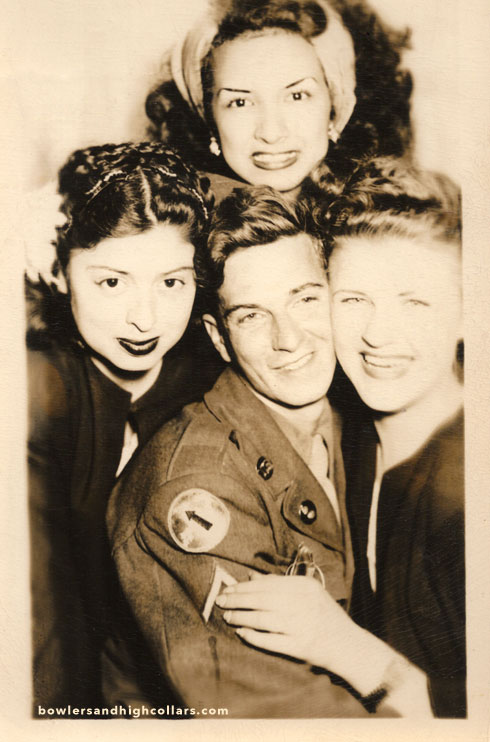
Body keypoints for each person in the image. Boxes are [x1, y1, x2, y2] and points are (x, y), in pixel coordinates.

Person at [107, 185, 431, 718]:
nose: (289, 339)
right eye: (252, 316)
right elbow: (280, 716)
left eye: (305, 299)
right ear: (219, 338)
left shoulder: (354, 421)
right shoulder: (195, 487)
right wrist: (409, 694)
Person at [216, 159, 464, 718]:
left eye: (415, 302)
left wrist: (346, 648)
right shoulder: (352, 438)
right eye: (353, 299)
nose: (378, 334)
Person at [26, 141, 218, 712]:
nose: (145, 318)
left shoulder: (209, 379)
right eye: (112, 282)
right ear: (58, 269)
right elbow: (43, 615)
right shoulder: (36, 389)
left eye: (171, 282)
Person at [146, 0, 413, 201]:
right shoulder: (172, 230)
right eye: (240, 102)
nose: (271, 134)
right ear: (210, 119)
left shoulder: (392, 222)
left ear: (335, 108)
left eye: (297, 96)